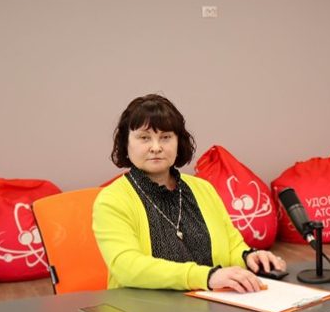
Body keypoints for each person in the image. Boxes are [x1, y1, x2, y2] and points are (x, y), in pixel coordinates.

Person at [93, 94, 286, 292]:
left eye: (166, 137)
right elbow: (127, 267)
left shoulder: (203, 189)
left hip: (213, 303)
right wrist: (207, 277)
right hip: (143, 307)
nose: (156, 147)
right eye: (144, 138)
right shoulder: (112, 200)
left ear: (179, 142)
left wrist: (249, 257)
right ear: (125, 144)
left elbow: (232, 246)